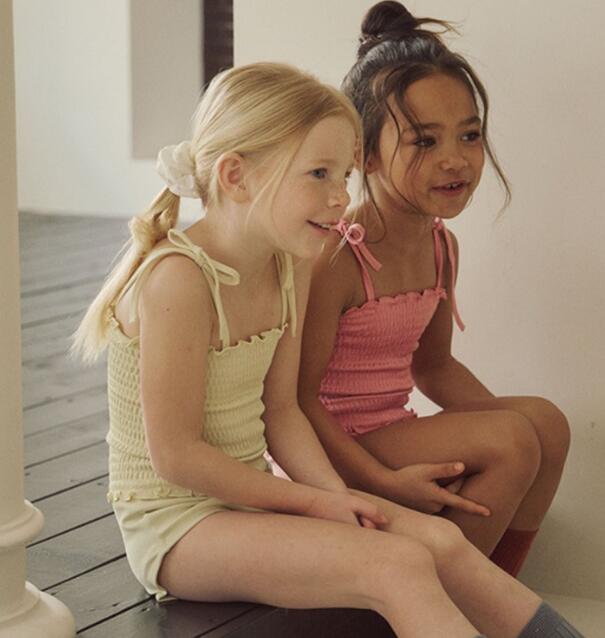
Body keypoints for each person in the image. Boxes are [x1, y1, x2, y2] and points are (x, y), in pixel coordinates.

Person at [72, 62, 583, 638]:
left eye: (343, 175)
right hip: (176, 526)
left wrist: (336, 497)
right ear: (237, 177)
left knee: (441, 541)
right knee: (398, 562)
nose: (341, 197)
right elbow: (178, 457)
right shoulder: (179, 280)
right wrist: (318, 505)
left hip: (249, 505)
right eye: (319, 174)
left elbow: (283, 411)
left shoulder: (289, 265)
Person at [298, 0, 570, 579]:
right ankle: (455, 600)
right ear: (365, 155)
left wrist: (520, 434)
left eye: (469, 135)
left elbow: (435, 367)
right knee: (512, 440)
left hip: (391, 432)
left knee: (545, 424)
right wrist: (383, 480)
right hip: (332, 451)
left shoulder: (442, 247)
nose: (455, 160)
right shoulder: (337, 258)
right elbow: (300, 401)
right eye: (423, 142)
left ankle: (498, 589)